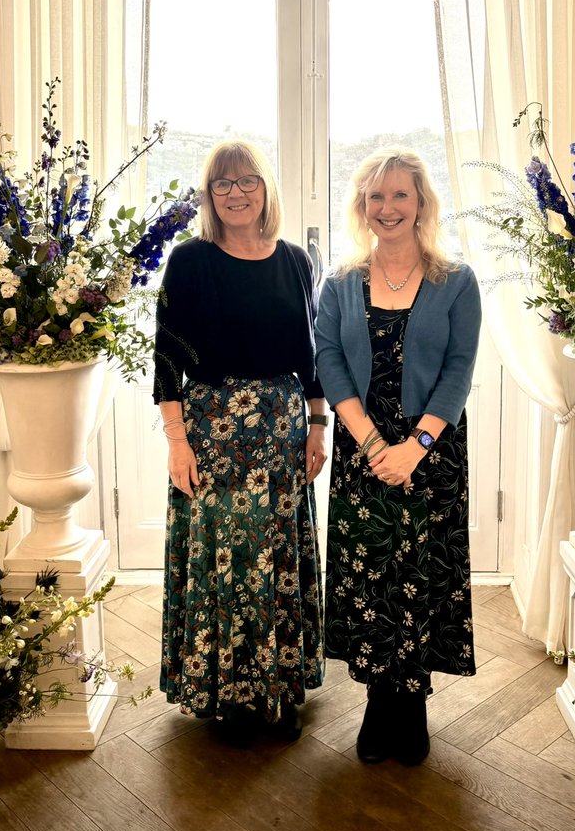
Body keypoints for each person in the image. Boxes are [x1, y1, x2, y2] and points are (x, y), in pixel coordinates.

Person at [153, 140, 327, 745]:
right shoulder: (189, 260)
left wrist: (318, 424)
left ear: (265, 188)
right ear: (209, 195)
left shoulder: (297, 262)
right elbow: (167, 362)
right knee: (221, 558)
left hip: (281, 430)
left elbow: (311, 357)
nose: (235, 193)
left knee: (275, 555)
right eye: (222, 184)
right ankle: (222, 689)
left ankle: (279, 688)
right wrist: (178, 444)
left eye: (246, 181)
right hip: (213, 431)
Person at [314, 147, 481, 766]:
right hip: (364, 452)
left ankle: (409, 709)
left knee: (419, 578)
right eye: (375, 197)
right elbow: (328, 360)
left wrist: (416, 448)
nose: (387, 208)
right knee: (370, 578)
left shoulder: (456, 281)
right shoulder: (339, 284)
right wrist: (373, 443)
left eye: (400, 196)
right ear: (363, 207)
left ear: (420, 204)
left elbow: (459, 371)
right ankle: (377, 702)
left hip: (431, 454)